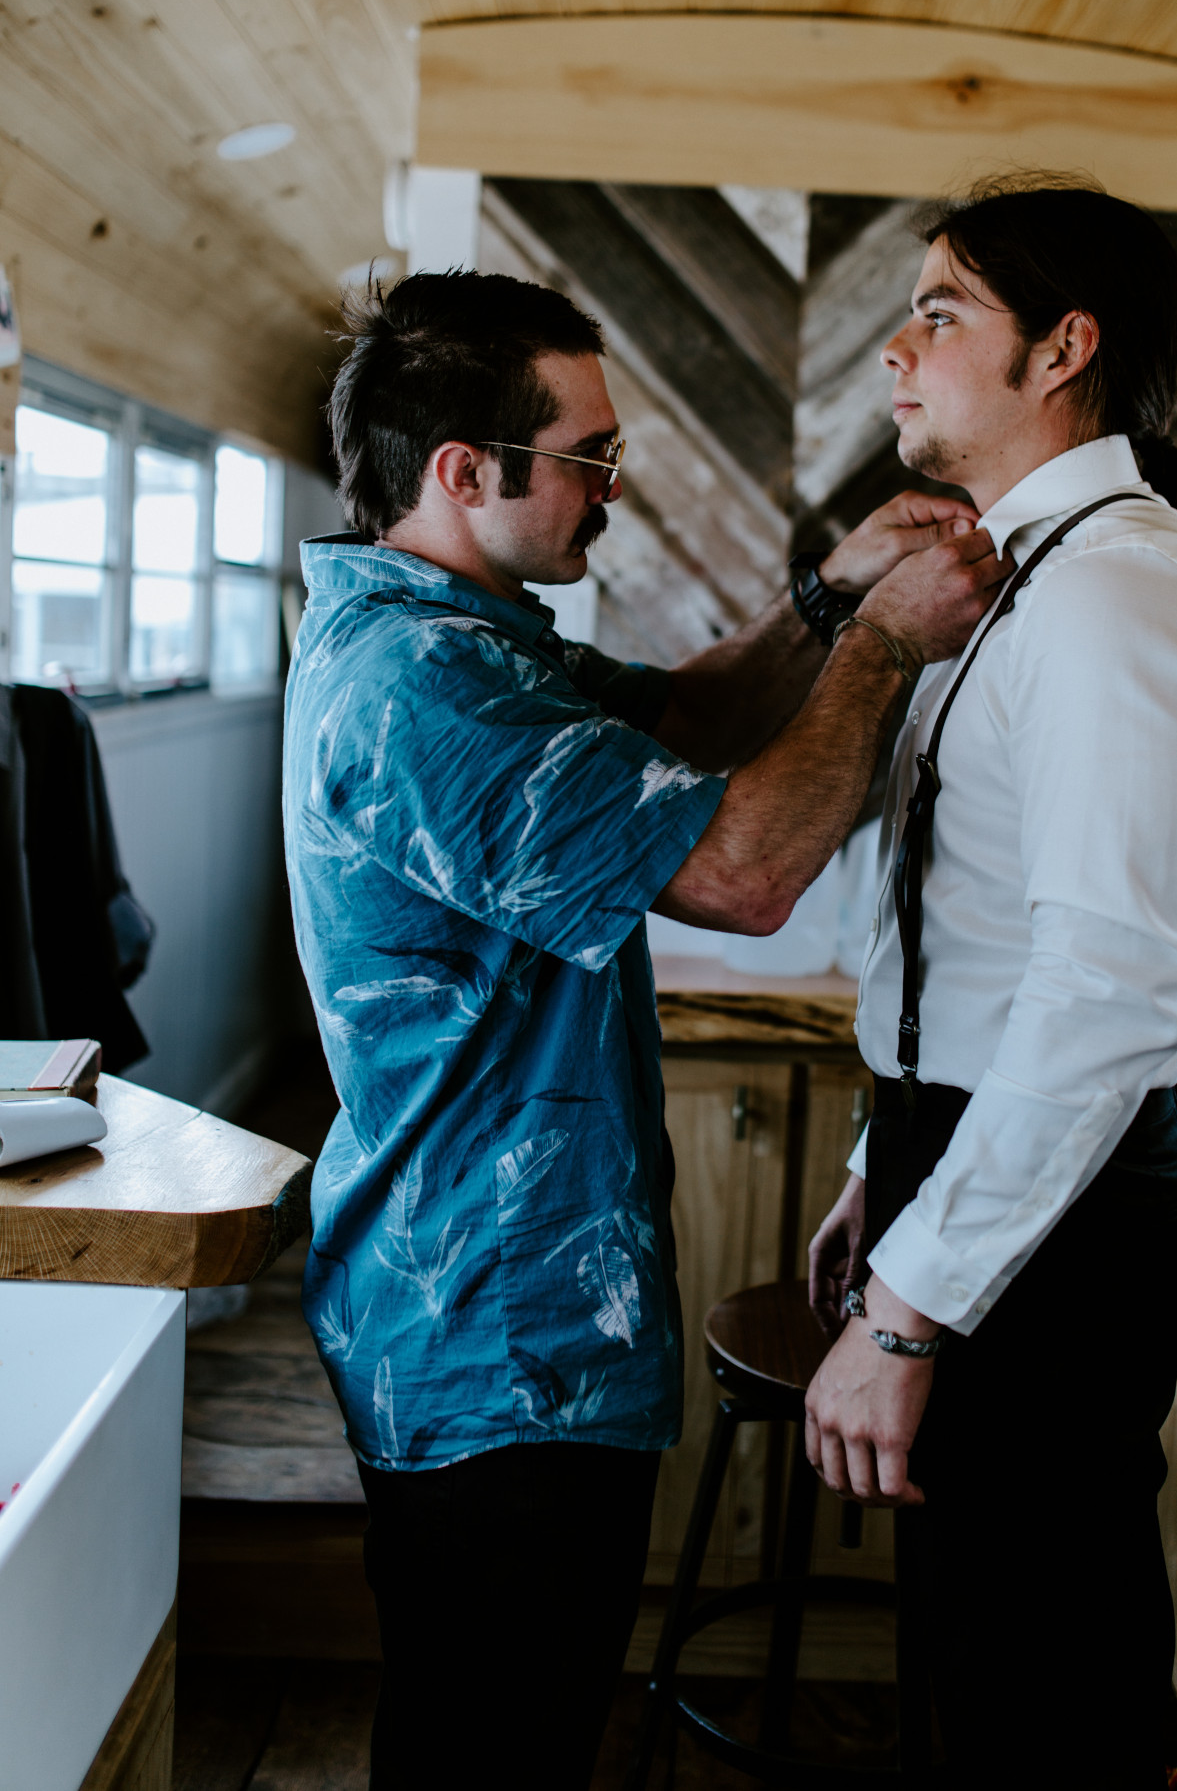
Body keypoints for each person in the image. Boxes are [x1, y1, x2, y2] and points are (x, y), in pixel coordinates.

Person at [282, 268, 1007, 1789]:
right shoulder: (422, 687)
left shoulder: (467, 632)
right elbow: (741, 876)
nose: (615, 487)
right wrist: (879, 647)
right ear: (465, 473)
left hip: (498, 1319)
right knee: (498, 1748)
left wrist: (822, 598)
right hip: (494, 1339)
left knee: (492, 1728)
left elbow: (678, 720)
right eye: (591, 457)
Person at [804, 178, 1177, 1789]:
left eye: (941, 312)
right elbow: (975, 923)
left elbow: (1104, 991)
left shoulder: (1114, 592)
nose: (895, 350)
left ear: (1064, 347)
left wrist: (911, 1307)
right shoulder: (1025, 572)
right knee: (994, 1656)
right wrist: (890, 1157)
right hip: (973, 1153)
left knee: (1043, 1692)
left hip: (1064, 1213)